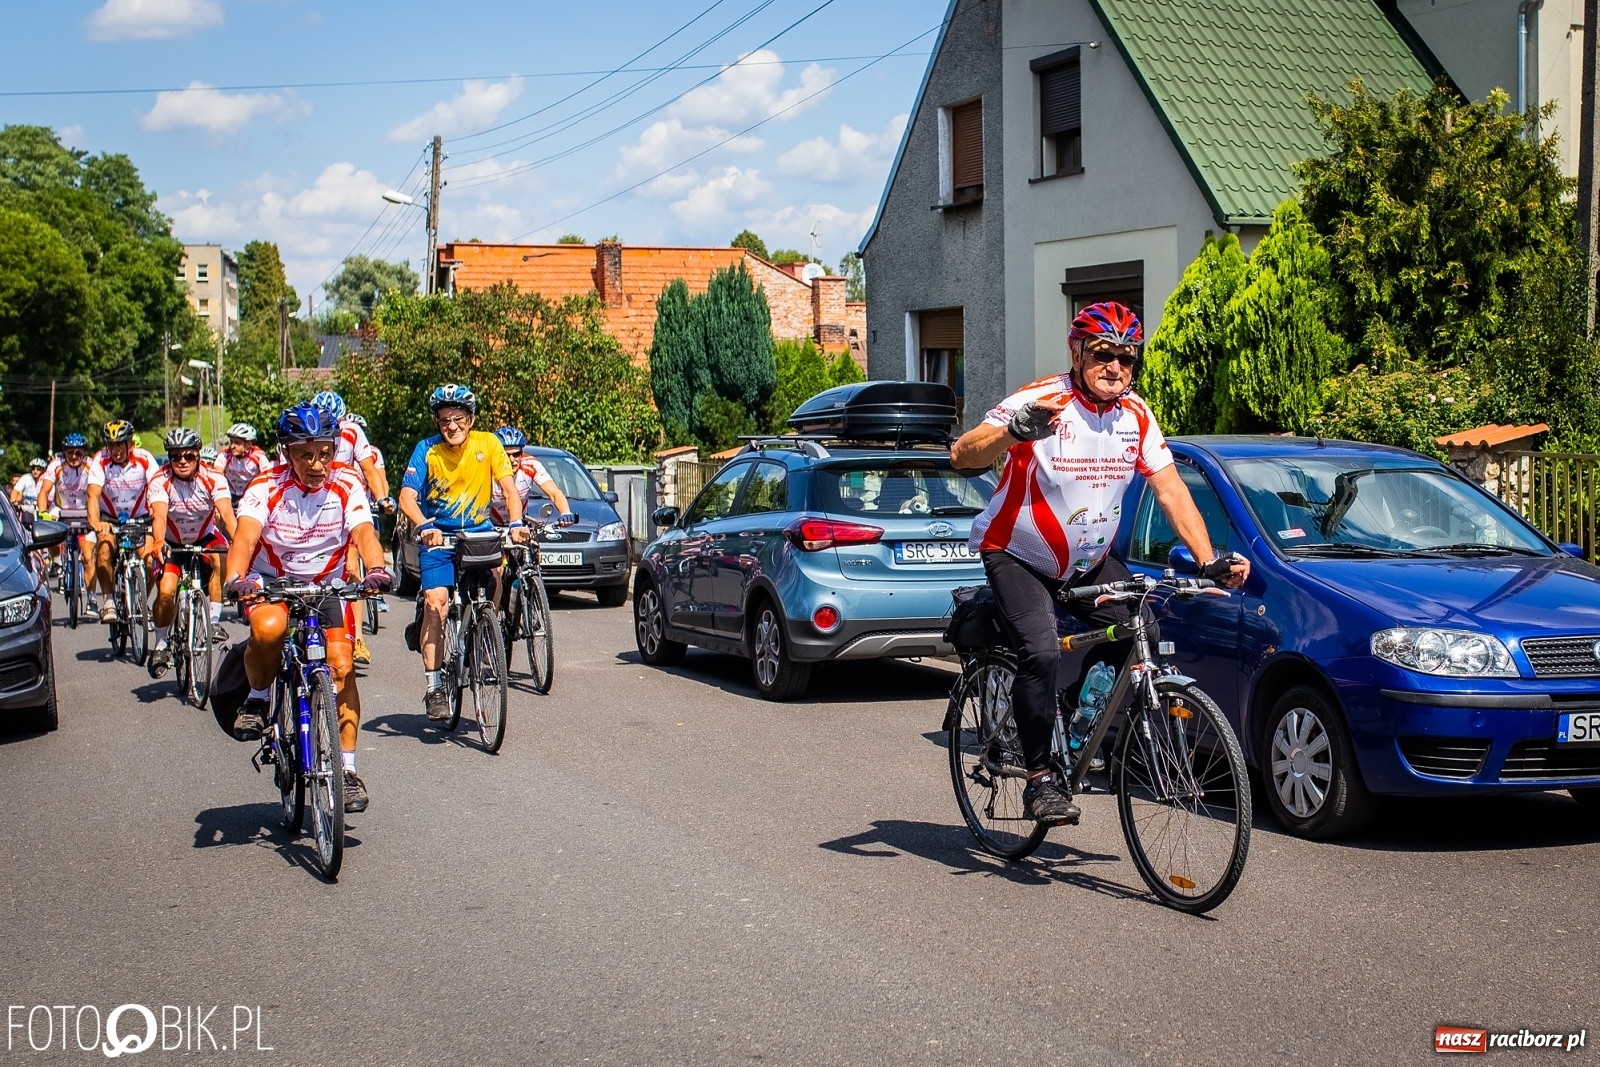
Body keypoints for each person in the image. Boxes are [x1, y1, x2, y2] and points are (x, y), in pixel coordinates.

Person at [950, 301, 1250, 826]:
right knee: (1040, 650)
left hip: (1086, 562)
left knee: (1143, 631)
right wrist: (1012, 432)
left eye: (1127, 358)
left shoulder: (1137, 415)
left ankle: (1074, 722)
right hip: (1017, 554)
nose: (1116, 368)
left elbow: (1171, 489)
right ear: (1077, 352)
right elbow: (963, 454)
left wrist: (1209, 560)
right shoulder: (1040, 400)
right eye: (1103, 355)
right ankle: (1039, 779)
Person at [224, 403, 390, 814]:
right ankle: (260, 697)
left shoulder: (347, 482)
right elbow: (244, 540)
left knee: (342, 664)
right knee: (267, 629)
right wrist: (236, 578)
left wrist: (377, 569)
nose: (317, 464)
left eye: (325, 452)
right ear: (287, 453)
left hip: (327, 582)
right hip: (272, 581)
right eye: (305, 454)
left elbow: (365, 533)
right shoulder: (265, 486)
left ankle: (347, 770)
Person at [397, 385, 535, 721]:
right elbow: (406, 498)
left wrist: (515, 521)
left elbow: (507, 487)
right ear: (437, 422)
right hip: (438, 535)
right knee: (436, 603)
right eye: (445, 420)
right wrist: (423, 526)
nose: (452, 426)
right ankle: (433, 687)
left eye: (459, 419)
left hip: (478, 533)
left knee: (497, 579)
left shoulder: (488, 444)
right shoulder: (426, 450)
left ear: (470, 419)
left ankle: (486, 631)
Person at [146, 428, 237, 677]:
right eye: (176, 457)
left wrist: (241, 543)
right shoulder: (159, 480)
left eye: (188, 456)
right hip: (171, 541)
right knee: (166, 592)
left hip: (203, 535)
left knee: (221, 558)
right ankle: (162, 643)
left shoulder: (214, 478)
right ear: (169, 459)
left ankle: (214, 620)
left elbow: (227, 516)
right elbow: (160, 516)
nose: (182, 461)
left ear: (198, 456)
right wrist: (157, 542)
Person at [313, 392, 391, 664]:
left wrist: (381, 498)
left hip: (346, 499)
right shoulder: (308, 435)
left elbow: (370, 470)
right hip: (316, 504)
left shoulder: (353, 433)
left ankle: (357, 637)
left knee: (351, 569)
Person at [85, 420, 160, 624]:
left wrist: (158, 514)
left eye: (120, 444)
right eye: (111, 445)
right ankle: (108, 602)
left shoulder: (145, 458)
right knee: (104, 550)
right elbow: (93, 495)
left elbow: (157, 488)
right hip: (109, 518)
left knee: (152, 560)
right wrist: (95, 523)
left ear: (131, 444)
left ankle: (141, 598)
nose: (115, 450)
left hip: (141, 517)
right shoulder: (100, 460)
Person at [38, 435, 94, 600]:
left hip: (84, 510)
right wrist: (43, 513)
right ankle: (58, 561)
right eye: (70, 453)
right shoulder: (56, 465)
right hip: (60, 509)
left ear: (84, 453)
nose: (74, 456)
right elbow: (44, 492)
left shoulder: (91, 465)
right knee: (48, 531)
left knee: (89, 555)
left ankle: (91, 598)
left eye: (78, 452)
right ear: (64, 453)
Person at [488, 426, 575, 528]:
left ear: (522, 453)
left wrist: (565, 511)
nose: (512, 460)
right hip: (491, 524)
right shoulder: (488, 467)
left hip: (520, 523)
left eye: (516, 454)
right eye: (506, 455)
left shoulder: (531, 464)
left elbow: (554, 493)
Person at [219, 423, 271, 502]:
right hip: (229, 495)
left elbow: (268, 478)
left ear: (248, 444)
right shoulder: (225, 455)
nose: (232, 446)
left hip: (251, 495)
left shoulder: (258, 456)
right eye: (231, 442)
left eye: (237, 443)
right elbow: (217, 474)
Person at [10, 458, 46, 524]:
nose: (35, 471)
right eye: (33, 468)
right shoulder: (26, 478)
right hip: (27, 510)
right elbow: (15, 490)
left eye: (38, 469)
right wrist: (13, 501)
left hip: (42, 511)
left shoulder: (46, 479)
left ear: (43, 470)